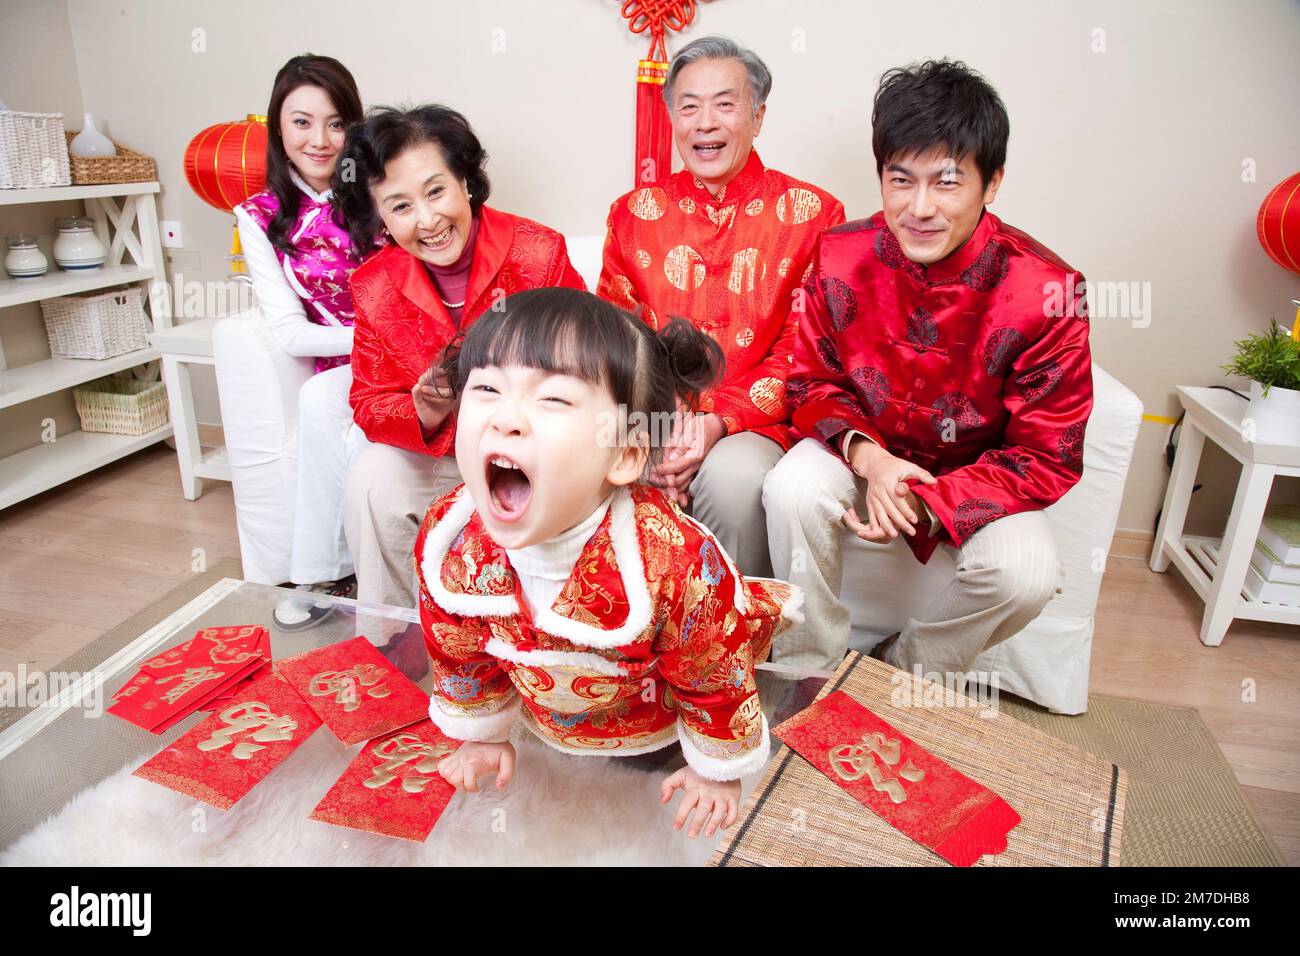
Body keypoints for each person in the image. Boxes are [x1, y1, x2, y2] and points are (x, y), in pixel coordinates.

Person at [415, 288, 801, 838]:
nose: (506, 419)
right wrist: (482, 732)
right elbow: (458, 649)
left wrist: (717, 771)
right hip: (543, 718)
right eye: (486, 388)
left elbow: (712, 675)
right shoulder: (451, 542)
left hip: (655, 721)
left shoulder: (674, 562)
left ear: (622, 454)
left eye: (552, 400)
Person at [765, 59, 1092, 681]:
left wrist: (933, 503)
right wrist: (872, 460)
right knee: (790, 489)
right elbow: (811, 382)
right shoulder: (839, 253)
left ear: (990, 183)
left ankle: (902, 674)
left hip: (979, 476)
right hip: (865, 449)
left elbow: (1050, 453)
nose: (919, 208)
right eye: (900, 180)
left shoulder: (1047, 291)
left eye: (946, 183)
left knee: (1027, 575)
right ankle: (808, 668)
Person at [597, 35, 844, 578]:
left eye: (725, 104)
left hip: (755, 422)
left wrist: (716, 421)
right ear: (671, 119)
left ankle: (730, 645)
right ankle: (635, 643)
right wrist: (661, 420)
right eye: (688, 106)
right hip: (654, 411)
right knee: (609, 457)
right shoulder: (633, 214)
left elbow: (808, 349)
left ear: (757, 116)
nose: (704, 122)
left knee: (732, 481)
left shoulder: (813, 215)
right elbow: (616, 335)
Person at [333, 106, 586, 613]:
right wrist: (424, 411)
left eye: (436, 191)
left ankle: (550, 645)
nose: (427, 221)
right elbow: (368, 402)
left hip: (535, 454)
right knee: (371, 479)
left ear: (466, 182)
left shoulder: (538, 253)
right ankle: (396, 645)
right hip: (443, 456)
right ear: (380, 216)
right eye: (400, 206)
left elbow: (589, 363)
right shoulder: (373, 287)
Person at [233, 54, 367, 630]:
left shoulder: (380, 189)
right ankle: (322, 573)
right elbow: (289, 333)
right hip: (344, 359)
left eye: (336, 123)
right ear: (278, 129)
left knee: (358, 426)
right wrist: (369, 338)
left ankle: (378, 578)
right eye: (302, 122)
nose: (320, 140)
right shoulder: (259, 216)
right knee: (320, 401)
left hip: (415, 354)